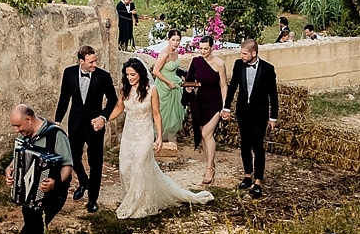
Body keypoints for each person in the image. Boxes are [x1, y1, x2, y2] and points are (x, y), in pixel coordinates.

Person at [109, 58, 214, 219]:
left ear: (140, 74)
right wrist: (103, 119)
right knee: (125, 168)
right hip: (129, 135)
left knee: (138, 166)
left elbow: (157, 115)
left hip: (145, 133)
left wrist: (159, 137)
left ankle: (140, 204)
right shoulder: (125, 90)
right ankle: (132, 196)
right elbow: (118, 109)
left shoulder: (152, 90)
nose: (130, 78)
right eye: (127, 75)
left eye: (133, 75)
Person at [0, 104, 74, 234]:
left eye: (18, 125)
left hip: (52, 198)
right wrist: (10, 170)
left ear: (29, 120)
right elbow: (18, 159)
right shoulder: (25, 136)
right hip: (28, 197)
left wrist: (55, 182)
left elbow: (67, 165)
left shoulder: (55, 135)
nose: (16, 130)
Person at [54, 45, 118, 213]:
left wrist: (103, 117)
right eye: (91, 62)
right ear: (81, 61)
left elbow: (113, 100)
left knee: (95, 161)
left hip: (94, 125)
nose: (94, 65)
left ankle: (92, 199)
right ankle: (84, 182)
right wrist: (57, 121)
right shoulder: (69, 73)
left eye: (95, 61)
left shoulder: (103, 77)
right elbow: (64, 98)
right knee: (73, 156)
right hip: (75, 123)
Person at [226, 39, 279, 198]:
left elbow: (273, 95)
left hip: (259, 113)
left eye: (244, 53)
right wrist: (226, 107)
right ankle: (248, 175)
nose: (241, 56)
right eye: (241, 53)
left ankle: (258, 181)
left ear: (254, 53)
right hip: (243, 111)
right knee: (244, 144)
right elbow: (233, 86)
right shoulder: (238, 64)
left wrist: (273, 116)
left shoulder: (268, 69)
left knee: (257, 146)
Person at [184, 35, 229, 185]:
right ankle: (211, 162)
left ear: (212, 47)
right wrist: (189, 89)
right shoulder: (196, 61)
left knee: (206, 133)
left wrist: (225, 106)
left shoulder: (219, 64)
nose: (203, 52)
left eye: (206, 49)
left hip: (214, 103)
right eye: (201, 48)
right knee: (204, 135)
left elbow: (223, 86)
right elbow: (189, 81)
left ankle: (209, 168)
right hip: (200, 102)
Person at [150, 29, 186, 141]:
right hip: (164, 86)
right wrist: (168, 82)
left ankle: (171, 139)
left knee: (174, 114)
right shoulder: (164, 54)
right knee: (163, 112)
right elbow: (155, 71)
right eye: (173, 40)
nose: (175, 42)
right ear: (168, 40)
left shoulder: (176, 52)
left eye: (178, 40)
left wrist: (180, 77)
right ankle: (159, 138)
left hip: (175, 85)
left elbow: (174, 68)